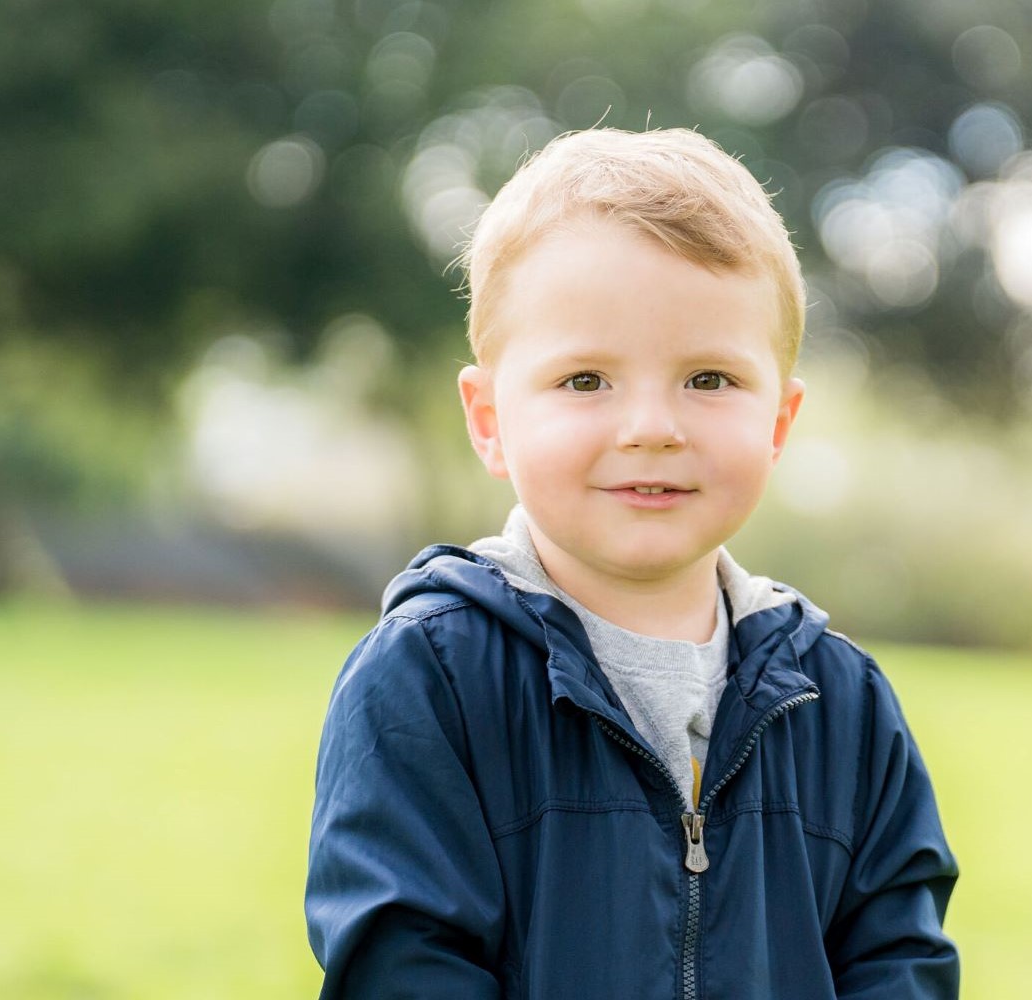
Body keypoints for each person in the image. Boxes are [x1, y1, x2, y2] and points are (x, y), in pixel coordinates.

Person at [304, 127, 960, 999]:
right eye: (585, 381)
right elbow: (404, 967)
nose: (652, 425)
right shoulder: (431, 679)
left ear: (779, 423)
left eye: (709, 380)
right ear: (490, 418)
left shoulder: (842, 704)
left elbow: (898, 965)